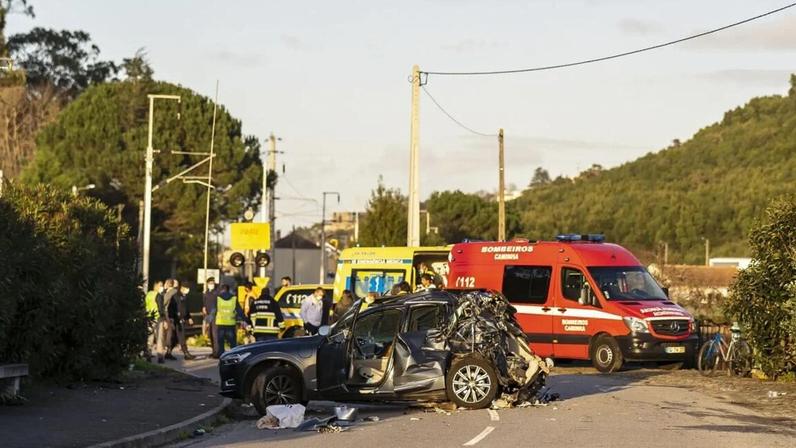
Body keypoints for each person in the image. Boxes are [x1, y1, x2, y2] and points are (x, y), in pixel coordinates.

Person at [215, 284, 245, 357]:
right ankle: (233, 353)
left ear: (222, 289)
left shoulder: (218, 298)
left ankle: (221, 353)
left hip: (221, 322)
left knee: (221, 340)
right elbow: (239, 310)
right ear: (228, 290)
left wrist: (209, 318)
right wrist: (244, 319)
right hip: (231, 323)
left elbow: (214, 309)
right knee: (232, 340)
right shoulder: (234, 298)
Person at [172, 282, 196, 360]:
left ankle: (168, 352)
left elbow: (186, 309)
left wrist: (189, 317)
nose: (188, 290)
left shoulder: (184, 296)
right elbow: (177, 308)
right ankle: (186, 353)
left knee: (176, 337)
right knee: (181, 336)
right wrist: (178, 317)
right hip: (177, 319)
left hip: (181, 319)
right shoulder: (177, 296)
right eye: (186, 288)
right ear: (182, 288)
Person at [144, 281, 164, 361]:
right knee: (159, 337)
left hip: (149, 317)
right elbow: (160, 308)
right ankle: (160, 356)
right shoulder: (158, 295)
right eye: (161, 285)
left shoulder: (148, 294)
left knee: (150, 337)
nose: (162, 287)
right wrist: (163, 317)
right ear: (157, 286)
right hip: (158, 318)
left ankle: (148, 354)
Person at [202, 278, 219, 356]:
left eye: (212, 283)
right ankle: (213, 351)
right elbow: (204, 303)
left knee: (215, 334)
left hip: (215, 316)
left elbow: (217, 305)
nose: (211, 285)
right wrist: (204, 308)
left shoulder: (217, 293)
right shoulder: (206, 293)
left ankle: (217, 352)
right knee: (210, 335)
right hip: (208, 315)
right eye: (210, 283)